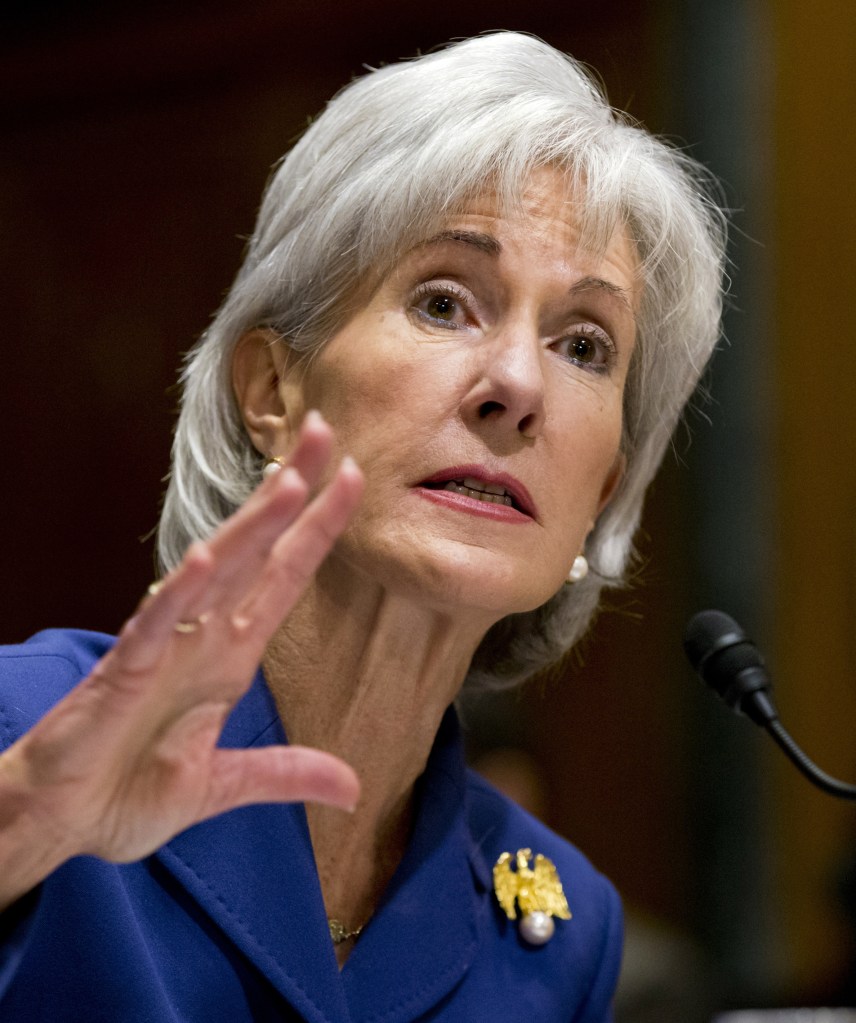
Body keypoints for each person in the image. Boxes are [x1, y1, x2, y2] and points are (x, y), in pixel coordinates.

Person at [0, 31, 725, 1022]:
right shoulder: (27, 727)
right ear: (271, 389)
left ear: (601, 492)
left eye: (584, 345)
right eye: (443, 302)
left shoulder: (560, 934)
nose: (516, 385)